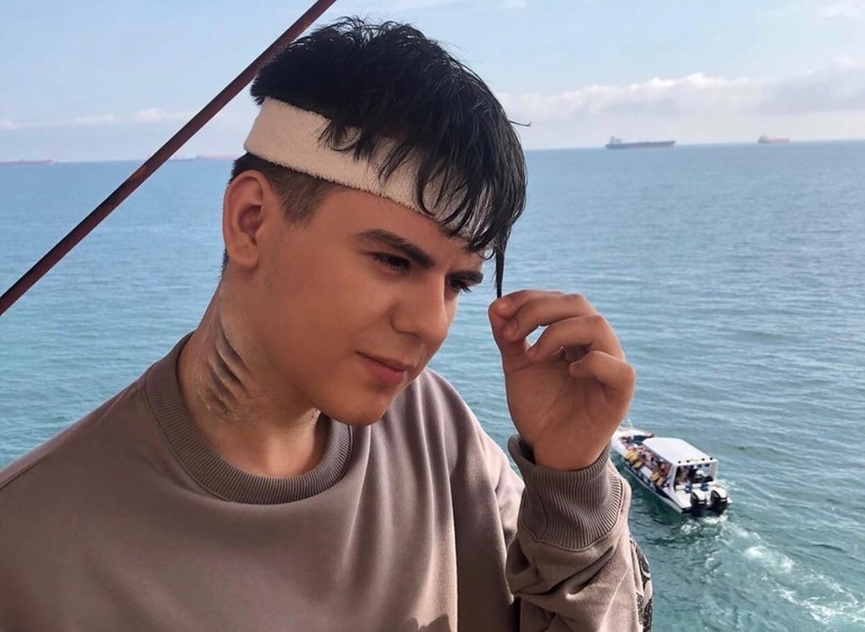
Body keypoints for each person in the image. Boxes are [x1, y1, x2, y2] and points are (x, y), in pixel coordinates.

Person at [0, 17, 652, 631]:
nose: (430, 324)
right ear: (251, 222)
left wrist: (570, 480)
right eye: (393, 261)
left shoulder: (436, 430)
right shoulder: (30, 549)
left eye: (456, 284)